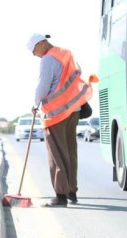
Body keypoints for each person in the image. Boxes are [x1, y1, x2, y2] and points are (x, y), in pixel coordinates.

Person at [27, 33, 92, 207]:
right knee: (70, 151)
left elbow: (43, 85)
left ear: (41, 44)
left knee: (56, 154)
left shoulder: (48, 59)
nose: (34, 55)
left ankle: (60, 196)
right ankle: (72, 191)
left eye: (34, 50)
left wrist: (35, 103)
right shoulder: (66, 53)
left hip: (56, 113)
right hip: (74, 109)